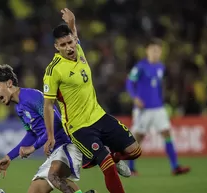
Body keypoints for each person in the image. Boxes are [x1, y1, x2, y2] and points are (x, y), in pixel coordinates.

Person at [43, 8, 141, 193]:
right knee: (107, 164)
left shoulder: (78, 49)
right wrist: (50, 136)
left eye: (70, 42)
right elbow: (48, 105)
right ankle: (107, 160)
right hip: (79, 127)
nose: (69, 47)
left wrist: (72, 21)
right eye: (63, 45)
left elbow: (74, 34)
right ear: (56, 47)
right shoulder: (53, 70)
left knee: (135, 151)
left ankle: (112, 156)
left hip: (99, 116)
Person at [0, 64, 96, 193]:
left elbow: (56, 121)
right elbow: (32, 134)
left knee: (53, 175)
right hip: (55, 152)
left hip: (66, 145)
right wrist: (9, 157)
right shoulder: (19, 107)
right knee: (35, 190)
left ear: (9, 83)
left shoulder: (32, 96)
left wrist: (33, 147)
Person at [126, 38, 191, 176]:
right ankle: (130, 168)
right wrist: (135, 97)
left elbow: (158, 86)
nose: (155, 52)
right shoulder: (140, 66)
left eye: (158, 50)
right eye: (153, 50)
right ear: (147, 50)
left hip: (158, 108)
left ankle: (175, 166)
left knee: (167, 133)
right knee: (138, 138)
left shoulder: (161, 66)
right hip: (143, 109)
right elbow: (129, 83)